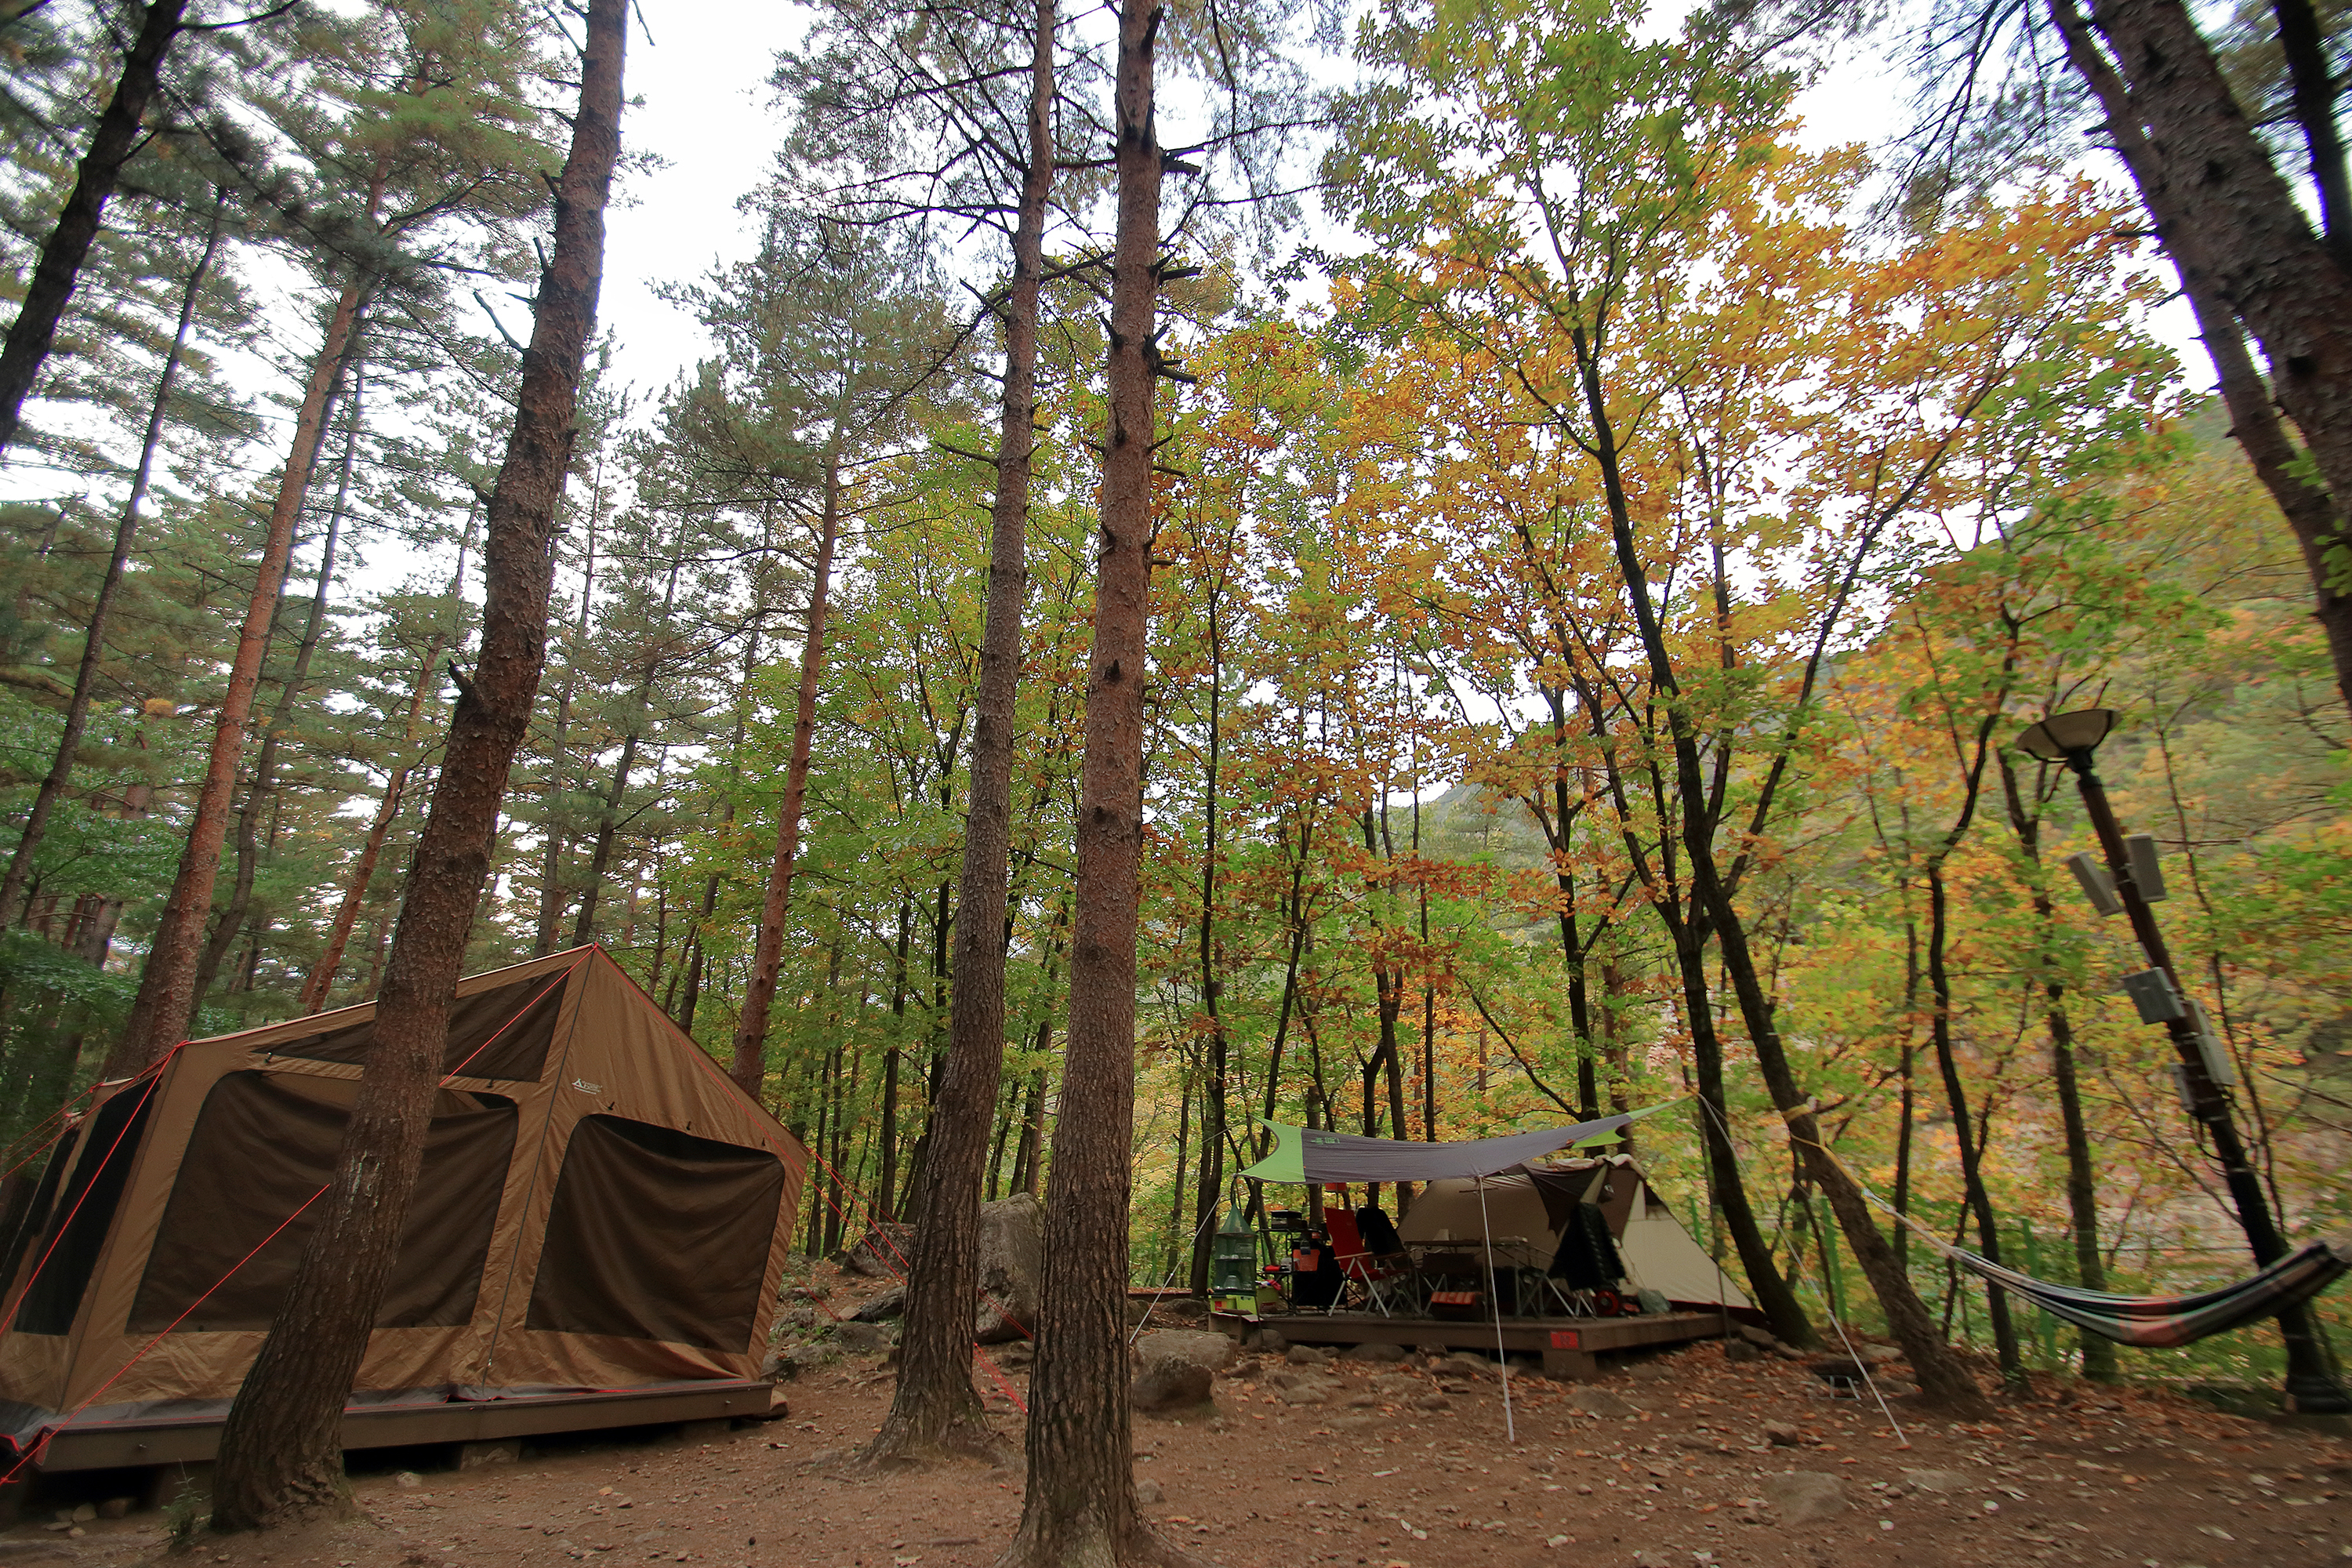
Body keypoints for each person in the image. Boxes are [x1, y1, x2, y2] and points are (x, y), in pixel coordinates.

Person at [1291, 1225, 1341, 1308]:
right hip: (1310, 1272)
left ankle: (1299, 1303)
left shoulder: (1324, 1253)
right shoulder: (1300, 1249)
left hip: (1310, 1273)